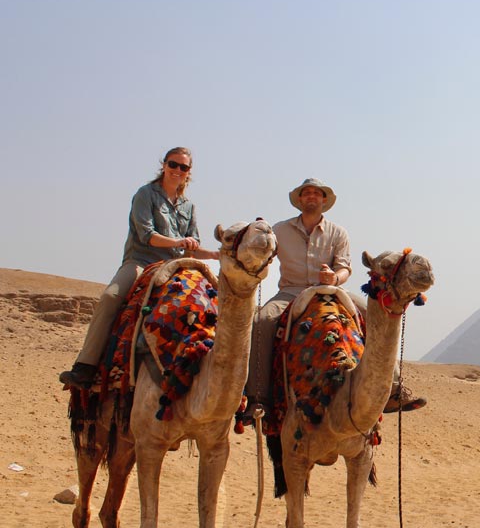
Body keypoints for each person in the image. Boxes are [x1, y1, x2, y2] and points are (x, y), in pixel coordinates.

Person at [246, 177, 425, 413]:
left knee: (378, 317)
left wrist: (335, 277)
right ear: (299, 199)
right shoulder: (279, 230)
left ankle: (392, 389)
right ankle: (257, 397)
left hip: (331, 290)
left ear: (324, 200)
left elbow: (344, 268)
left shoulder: (338, 233)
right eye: (306, 193)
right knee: (261, 322)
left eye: (316, 193)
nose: (311, 196)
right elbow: (263, 254)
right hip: (291, 291)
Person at [60, 147, 220, 388]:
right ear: (164, 165)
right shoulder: (146, 195)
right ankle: (86, 366)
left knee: (210, 303)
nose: (177, 170)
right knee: (111, 296)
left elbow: (192, 247)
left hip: (176, 267)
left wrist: (218, 255)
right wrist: (178, 241)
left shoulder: (189, 207)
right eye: (173, 164)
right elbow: (147, 236)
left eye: (183, 167)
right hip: (142, 262)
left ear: (189, 173)